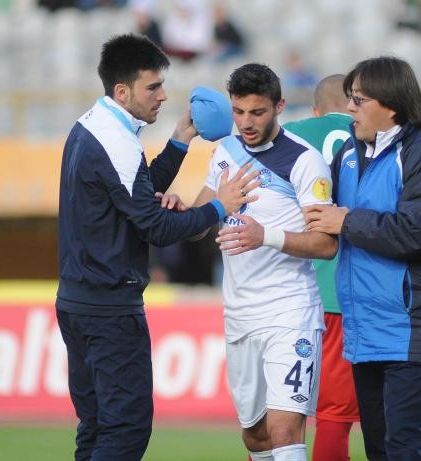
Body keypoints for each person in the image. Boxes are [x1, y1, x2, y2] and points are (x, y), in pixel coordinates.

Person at [56, 34, 258, 460]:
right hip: (109, 309)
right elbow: (156, 227)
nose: (163, 96)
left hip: (79, 301)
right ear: (123, 91)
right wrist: (218, 206)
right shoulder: (116, 142)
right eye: (153, 87)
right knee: (125, 430)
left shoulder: (91, 126)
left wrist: (180, 141)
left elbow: (134, 195)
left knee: (95, 428)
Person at [305, 56, 421, 460]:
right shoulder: (349, 151)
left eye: (359, 100)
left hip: (411, 328)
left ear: (391, 105)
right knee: (379, 448)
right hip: (365, 329)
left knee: (404, 448)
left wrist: (347, 220)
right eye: (349, 98)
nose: (349, 108)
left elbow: (419, 232)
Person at [192, 63, 338, 461]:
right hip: (239, 314)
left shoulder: (304, 161)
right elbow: (195, 227)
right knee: (256, 437)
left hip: (289, 310)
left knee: (284, 430)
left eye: (257, 112)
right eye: (239, 112)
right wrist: (181, 212)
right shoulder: (225, 151)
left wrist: (266, 236)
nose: (246, 122)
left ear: (279, 107)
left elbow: (326, 244)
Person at [283, 74, 359, 461]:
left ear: (315, 110)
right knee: (334, 417)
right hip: (345, 296)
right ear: (353, 103)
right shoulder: (371, 134)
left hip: (289, 294)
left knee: (279, 414)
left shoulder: (289, 134)